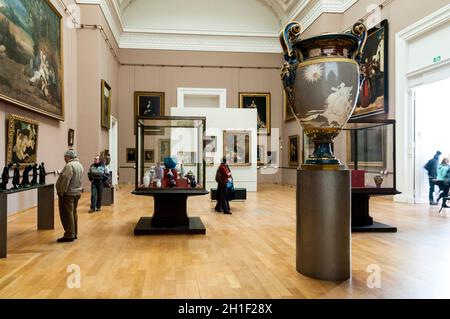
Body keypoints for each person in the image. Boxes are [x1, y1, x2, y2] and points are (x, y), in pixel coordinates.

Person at [55, 149, 84, 243]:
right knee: (73, 213)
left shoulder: (69, 165)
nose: (64, 158)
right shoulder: (79, 165)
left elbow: (66, 179)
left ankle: (69, 235)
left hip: (68, 193)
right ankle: (74, 232)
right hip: (77, 192)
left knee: (67, 214)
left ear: (69, 157)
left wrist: (61, 191)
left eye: (65, 156)